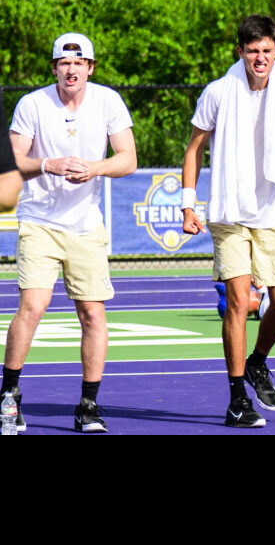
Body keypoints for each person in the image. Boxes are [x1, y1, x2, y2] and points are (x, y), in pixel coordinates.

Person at [181, 15, 275, 429]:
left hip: (274, 209)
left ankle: (257, 362)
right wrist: (187, 205)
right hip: (229, 211)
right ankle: (236, 400)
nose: (260, 58)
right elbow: (194, 149)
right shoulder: (217, 92)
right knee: (236, 300)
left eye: (267, 50)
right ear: (241, 53)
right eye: (253, 51)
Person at [1, 32, 137, 433]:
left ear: (90, 68)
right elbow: (13, 161)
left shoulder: (108, 101)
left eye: (79, 63)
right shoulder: (32, 104)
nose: (71, 69)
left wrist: (94, 168)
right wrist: (51, 164)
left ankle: (88, 405)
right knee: (33, 306)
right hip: (40, 221)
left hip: (85, 224)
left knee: (93, 313)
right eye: (64, 62)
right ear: (55, 68)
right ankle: (9, 395)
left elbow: (128, 159)